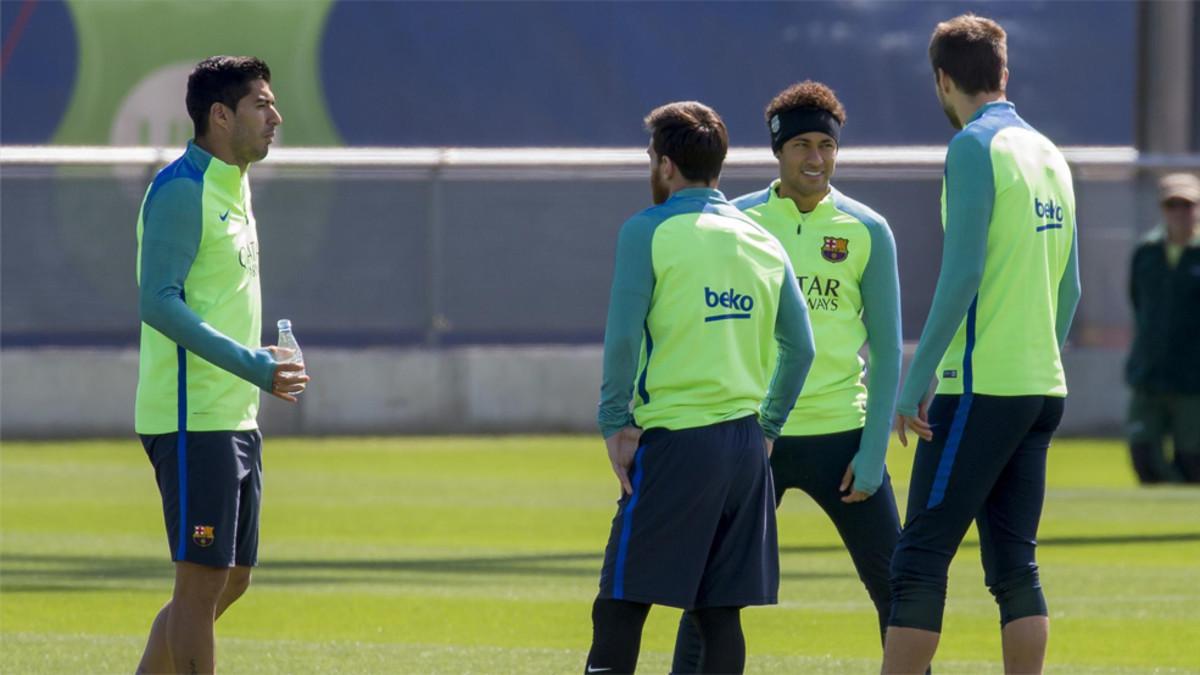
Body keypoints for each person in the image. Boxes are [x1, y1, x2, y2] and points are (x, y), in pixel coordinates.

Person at [671, 80, 903, 672]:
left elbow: (886, 348)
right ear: (777, 150)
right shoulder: (737, 220)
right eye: (801, 144)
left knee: (900, 591)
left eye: (826, 144)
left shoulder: (867, 229)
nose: (816, 158)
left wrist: (874, 448)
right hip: (753, 439)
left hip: (843, 438)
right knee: (708, 594)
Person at [587, 101, 815, 674]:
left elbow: (622, 340)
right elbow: (802, 348)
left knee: (620, 603)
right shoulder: (762, 237)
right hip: (743, 450)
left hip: (677, 444)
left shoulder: (648, 229)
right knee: (719, 615)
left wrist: (615, 422)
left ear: (665, 165)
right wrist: (765, 428)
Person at [884, 15, 1081, 674]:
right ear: (1004, 73)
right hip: (1039, 388)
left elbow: (963, 272)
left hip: (983, 389)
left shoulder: (973, 147)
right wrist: (1038, 361)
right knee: (1013, 565)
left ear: (943, 80)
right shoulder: (1050, 153)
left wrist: (913, 385)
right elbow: (1070, 289)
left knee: (918, 557)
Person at [134, 55, 308, 674]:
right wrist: (249, 363)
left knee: (230, 579)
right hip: (192, 417)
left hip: (233, 413)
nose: (275, 118)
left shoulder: (234, 183)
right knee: (201, 583)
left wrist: (254, 362)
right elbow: (159, 301)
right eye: (262, 104)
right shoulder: (182, 188)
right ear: (220, 114)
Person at [1126, 173, 1200, 484]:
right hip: (1149, 372)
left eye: (1187, 205)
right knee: (1145, 459)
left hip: (1194, 378)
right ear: (1162, 208)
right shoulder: (1146, 252)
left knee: (1192, 463)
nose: (1180, 212)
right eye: (1173, 205)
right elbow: (1138, 303)